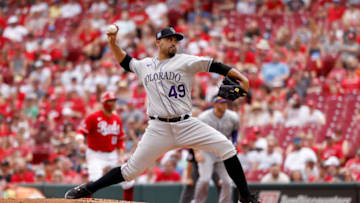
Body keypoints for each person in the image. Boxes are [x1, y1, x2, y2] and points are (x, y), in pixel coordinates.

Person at [65, 26, 258, 203]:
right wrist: (113, 43)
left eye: (176, 39)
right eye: (169, 39)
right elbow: (125, 61)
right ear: (158, 42)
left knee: (227, 147)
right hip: (158, 129)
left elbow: (215, 65)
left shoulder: (185, 61)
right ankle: (88, 189)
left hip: (187, 124)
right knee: (130, 171)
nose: (174, 42)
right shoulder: (145, 65)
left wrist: (241, 77)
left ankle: (246, 197)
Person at [75, 91, 134, 200]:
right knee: (95, 181)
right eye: (110, 101)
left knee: (128, 180)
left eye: (114, 101)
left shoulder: (117, 119)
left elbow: (120, 140)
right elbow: (80, 132)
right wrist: (80, 143)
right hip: (95, 154)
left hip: (112, 154)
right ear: (104, 102)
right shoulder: (93, 117)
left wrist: (121, 155)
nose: (112, 103)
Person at [192, 96, 239, 203]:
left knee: (228, 181)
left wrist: (235, 143)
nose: (224, 105)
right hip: (207, 150)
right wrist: (196, 152)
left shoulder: (233, 116)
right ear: (215, 104)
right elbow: (194, 135)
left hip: (223, 152)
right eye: (221, 103)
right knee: (205, 179)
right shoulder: (203, 117)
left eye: (225, 103)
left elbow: (235, 132)